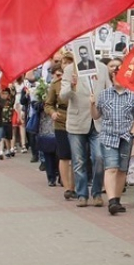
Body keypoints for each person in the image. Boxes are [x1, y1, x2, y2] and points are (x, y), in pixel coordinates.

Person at [90, 58, 134, 215]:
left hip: (126, 137)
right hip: (108, 136)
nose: (118, 78)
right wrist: (91, 104)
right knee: (111, 167)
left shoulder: (132, 96)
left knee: (121, 170)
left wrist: (133, 132)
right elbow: (96, 115)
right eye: (115, 75)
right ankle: (111, 200)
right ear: (112, 77)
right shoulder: (104, 95)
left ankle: (117, 199)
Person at [60, 49, 111, 207]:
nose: (83, 53)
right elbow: (63, 96)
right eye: (80, 50)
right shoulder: (70, 69)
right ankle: (82, 194)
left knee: (99, 158)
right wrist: (72, 86)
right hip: (77, 122)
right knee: (79, 160)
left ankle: (96, 192)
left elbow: (109, 90)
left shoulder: (101, 68)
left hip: (98, 121)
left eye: (86, 49)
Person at [45, 57, 75, 200]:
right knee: (64, 155)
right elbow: (48, 104)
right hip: (61, 121)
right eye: (65, 63)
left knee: (77, 156)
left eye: (70, 62)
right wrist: (52, 113)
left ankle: (76, 187)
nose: (67, 65)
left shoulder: (80, 81)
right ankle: (67, 187)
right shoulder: (57, 84)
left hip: (78, 120)